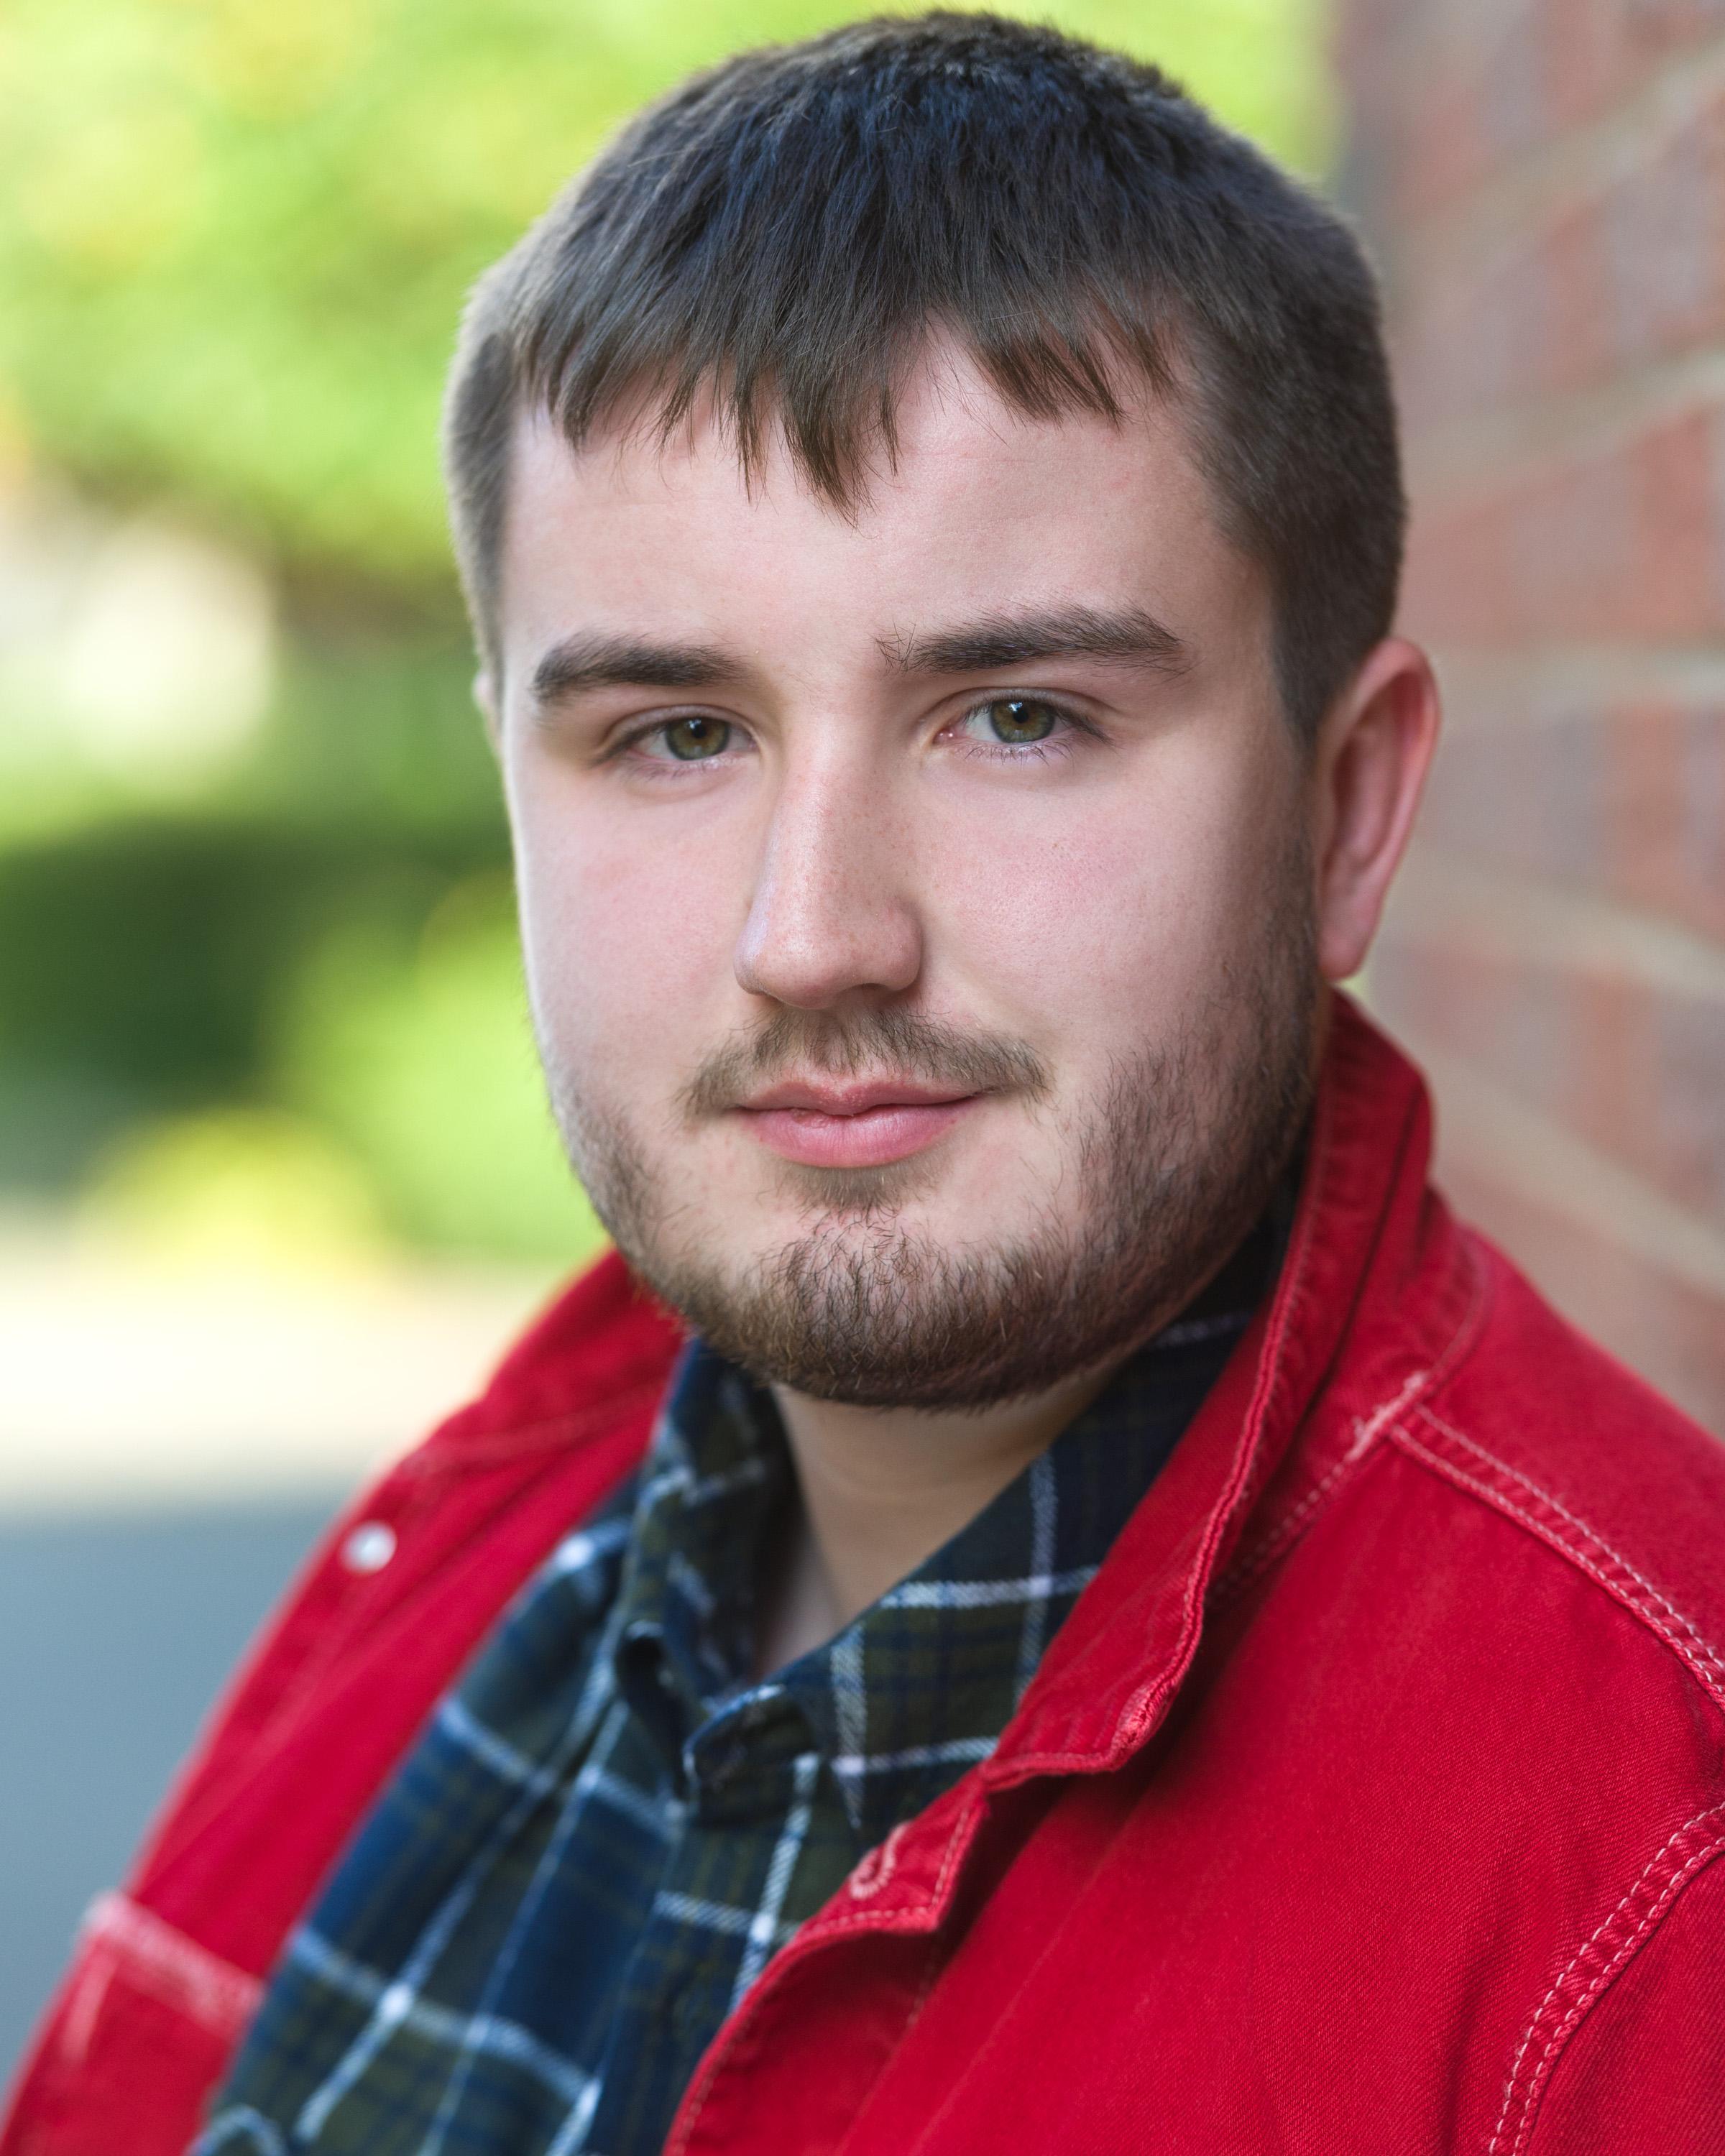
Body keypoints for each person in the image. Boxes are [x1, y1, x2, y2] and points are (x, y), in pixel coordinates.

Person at [8, 12, 1724, 2153]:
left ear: (1346, 813)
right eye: (675, 736)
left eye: (1016, 716)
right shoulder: (492, 1541)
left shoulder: (1657, 1882)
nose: (815, 933)